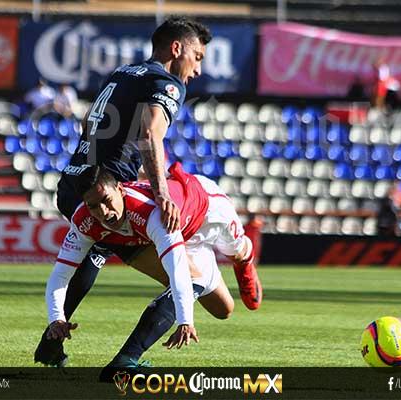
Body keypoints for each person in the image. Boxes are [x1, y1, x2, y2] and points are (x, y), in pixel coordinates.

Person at [35, 17, 213, 367]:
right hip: (110, 193)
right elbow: (150, 134)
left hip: (75, 182)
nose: (197, 69)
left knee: (93, 251)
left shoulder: (123, 73)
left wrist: (101, 160)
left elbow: (88, 120)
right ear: (176, 48)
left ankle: (51, 342)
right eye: (197, 57)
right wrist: (162, 194)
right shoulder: (167, 83)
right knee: (195, 280)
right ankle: (127, 360)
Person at [44, 162, 262, 368]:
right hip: (180, 236)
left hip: (206, 209)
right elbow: (60, 275)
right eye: (93, 206)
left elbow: (177, 272)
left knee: (237, 252)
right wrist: (56, 319)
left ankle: (245, 264)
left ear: (120, 189)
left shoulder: (152, 213)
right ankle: (125, 361)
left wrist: (185, 321)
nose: (103, 211)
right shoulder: (84, 221)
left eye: (106, 200)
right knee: (223, 309)